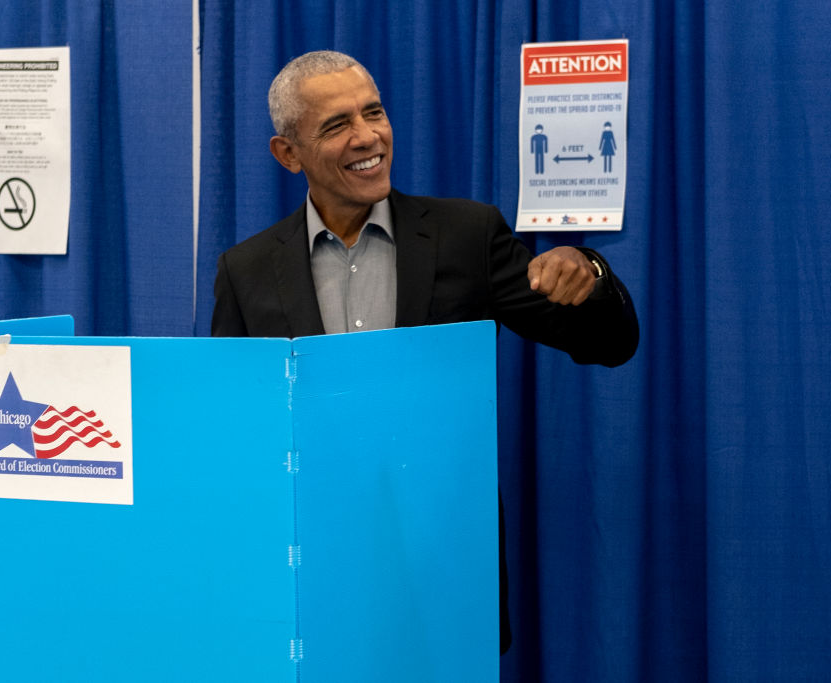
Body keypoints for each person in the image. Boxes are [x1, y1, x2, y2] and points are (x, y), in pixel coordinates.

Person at [211, 50, 639, 654]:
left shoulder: (467, 235)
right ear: (288, 154)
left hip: (443, 565)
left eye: (374, 112)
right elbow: (233, 426)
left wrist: (590, 273)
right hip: (311, 568)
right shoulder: (247, 270)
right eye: (336, 125)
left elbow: (608, 345)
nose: (368, 137)